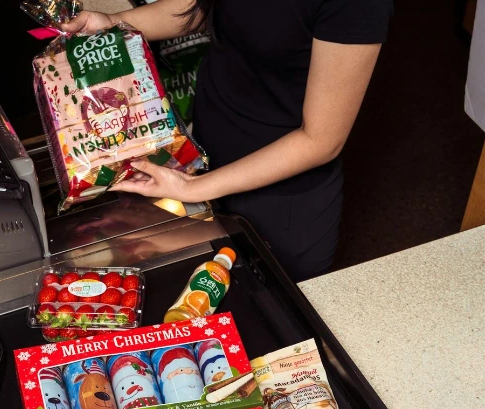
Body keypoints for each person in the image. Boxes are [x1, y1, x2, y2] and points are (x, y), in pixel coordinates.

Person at [61, 0, 393, 281]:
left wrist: (191, 190)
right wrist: (113, 24)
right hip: (205, 153)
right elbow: (197, 7)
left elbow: (321, 140)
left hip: (279, 199)